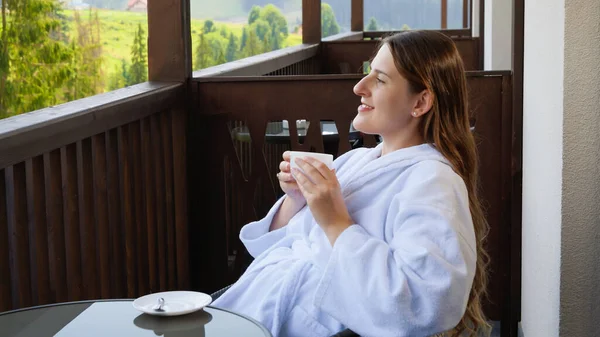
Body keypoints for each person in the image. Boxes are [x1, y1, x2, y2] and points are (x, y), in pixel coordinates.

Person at [212, 30, 490, 337]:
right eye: (367, 74)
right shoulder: (355, 161)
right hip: (257, 307)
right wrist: (296, 199)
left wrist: (335, 222)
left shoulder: (434, 183)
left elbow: (424, 304)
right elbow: (280, 244)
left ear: (421, 101)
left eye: (380, 80)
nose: (359, 87)